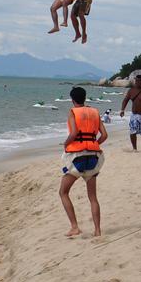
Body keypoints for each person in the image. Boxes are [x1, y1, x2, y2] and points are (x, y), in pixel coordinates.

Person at [59, 86, 107, 237]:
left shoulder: (73, 112)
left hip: (77, 157)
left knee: (63, 192)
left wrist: (66, 144)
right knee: (93, 197)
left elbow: (73, 133)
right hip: (93, 156)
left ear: (72, 100)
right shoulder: (95, 112)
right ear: (85, 98)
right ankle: (97, 230)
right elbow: (104, 135)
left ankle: (74, 227)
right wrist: (94, 144)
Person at [119, 73, 141, 151]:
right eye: (136, 80)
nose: (136, 82)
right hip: (134, 114)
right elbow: (125, 100)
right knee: (132, 131)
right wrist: (122, 110)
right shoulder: (131, 90)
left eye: (138, 81)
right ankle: (134, 148)